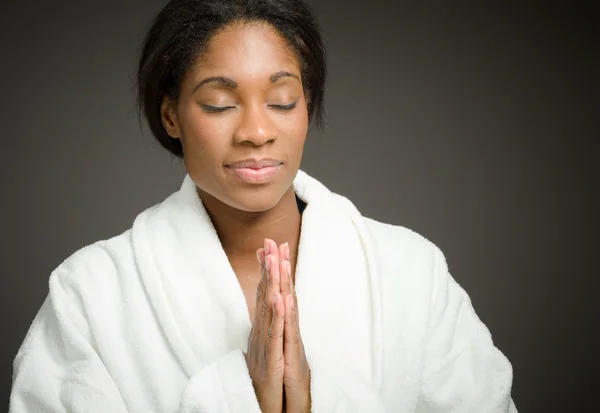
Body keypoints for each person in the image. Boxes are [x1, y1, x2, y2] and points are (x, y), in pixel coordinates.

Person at [9, 0, 517, 412]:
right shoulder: (90, 296)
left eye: (281, 101)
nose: (256, 131)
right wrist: (236, 398)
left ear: (307, 104)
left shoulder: (411, 272)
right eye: (219, 103)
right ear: (170, 115)